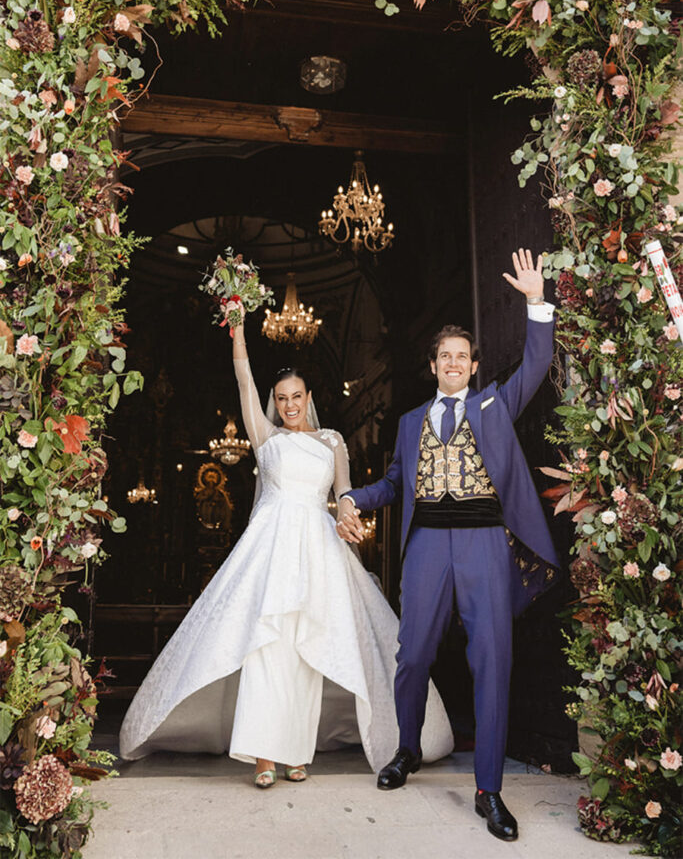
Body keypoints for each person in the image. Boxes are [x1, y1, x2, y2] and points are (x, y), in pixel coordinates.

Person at [119, 313, 454, 787]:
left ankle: (297, 751)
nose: (290, 404)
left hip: (318, 551)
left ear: (309, 399)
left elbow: (343, 495)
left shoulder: (332, 441)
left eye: (297, 397)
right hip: (271, 550)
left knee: (306, 649)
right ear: (275, 404)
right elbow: (243, 382)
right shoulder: (265, 437)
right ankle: (262, 756)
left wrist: (348, 517)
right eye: (282, 399)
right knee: (266, 647)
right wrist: (238, 334)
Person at [336, 249, 559, 841]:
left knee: (492, 659)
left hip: (485, 540)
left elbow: (536, 366)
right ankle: (406, 749)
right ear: (433, 365)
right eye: (445, 356)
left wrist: (536, 303)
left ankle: (489, 791)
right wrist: (354, 498)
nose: (454, 363)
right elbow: (392, 483)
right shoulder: (410, 422)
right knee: (412, 657)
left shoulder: (495, 405)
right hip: (429, 543)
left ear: (475, 365)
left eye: (463, 356)